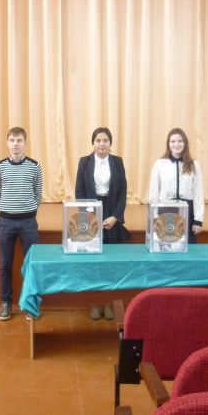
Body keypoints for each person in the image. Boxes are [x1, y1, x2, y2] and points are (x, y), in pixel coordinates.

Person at [75, 127, 129, 320]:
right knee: (93, 261)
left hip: (111, 211)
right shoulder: (84, 162)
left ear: (110, 143)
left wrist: (115, 216)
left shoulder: (117, 161)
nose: (102, 144)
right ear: (93, 143)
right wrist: (89, 218)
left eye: (105, 140)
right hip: (90, 212)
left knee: (110, 260)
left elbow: (122, 192)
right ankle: (94, 303)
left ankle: (108, 302)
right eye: (98, 140)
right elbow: (79, 192)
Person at [0, 127, 42, 321]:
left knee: (31, 264)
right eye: (12, 140)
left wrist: (27, 208)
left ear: (25, 143)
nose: (15, 144)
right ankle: (6, 303)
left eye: (19, 140)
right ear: (7, 142)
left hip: (28, 222)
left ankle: (29, 304)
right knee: (5, 265)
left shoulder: (35, 166)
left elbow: (38, 193)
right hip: (6, 222)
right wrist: (7, 208)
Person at [148, 128, 204, 244]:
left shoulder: (194, 165)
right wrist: (154, 217)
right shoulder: (160, 164)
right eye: (173, 141)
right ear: (168, 144)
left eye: (180, 141)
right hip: (166, 209)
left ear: (185, 143)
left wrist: (198, 220)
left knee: (187, 246)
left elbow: (198, 193)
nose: (176, 144)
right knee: (167, 244)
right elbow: (153, 191)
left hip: (187, 210)